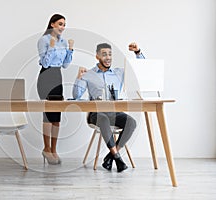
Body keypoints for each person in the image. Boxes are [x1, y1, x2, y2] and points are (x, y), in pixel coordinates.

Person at [72, 42, 145, 172]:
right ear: (97, 56)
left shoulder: (119, 73)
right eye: (104, 54)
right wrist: (79, 77)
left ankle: (111, 156)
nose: (108, 57)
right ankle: (117, 157)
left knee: (131, 122)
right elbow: (76, 95)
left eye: (110, 54)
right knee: (103, 119)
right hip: (96, 114)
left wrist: (138, 52)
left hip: (114, 112)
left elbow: (142, 70)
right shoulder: (89, 74)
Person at [37, 14, 74, 165]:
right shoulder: (43, 40)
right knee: (48, 115)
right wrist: (51, 47)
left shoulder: (64, 41)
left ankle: (54, 149)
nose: (62, 27)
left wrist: (70, 50)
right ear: (52, 24)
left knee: (57, 117)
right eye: (60, 24)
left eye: (64, 24)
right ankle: (46, 148)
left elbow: (65, 65)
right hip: (46, 77)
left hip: (58, 77)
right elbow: (45, 64)